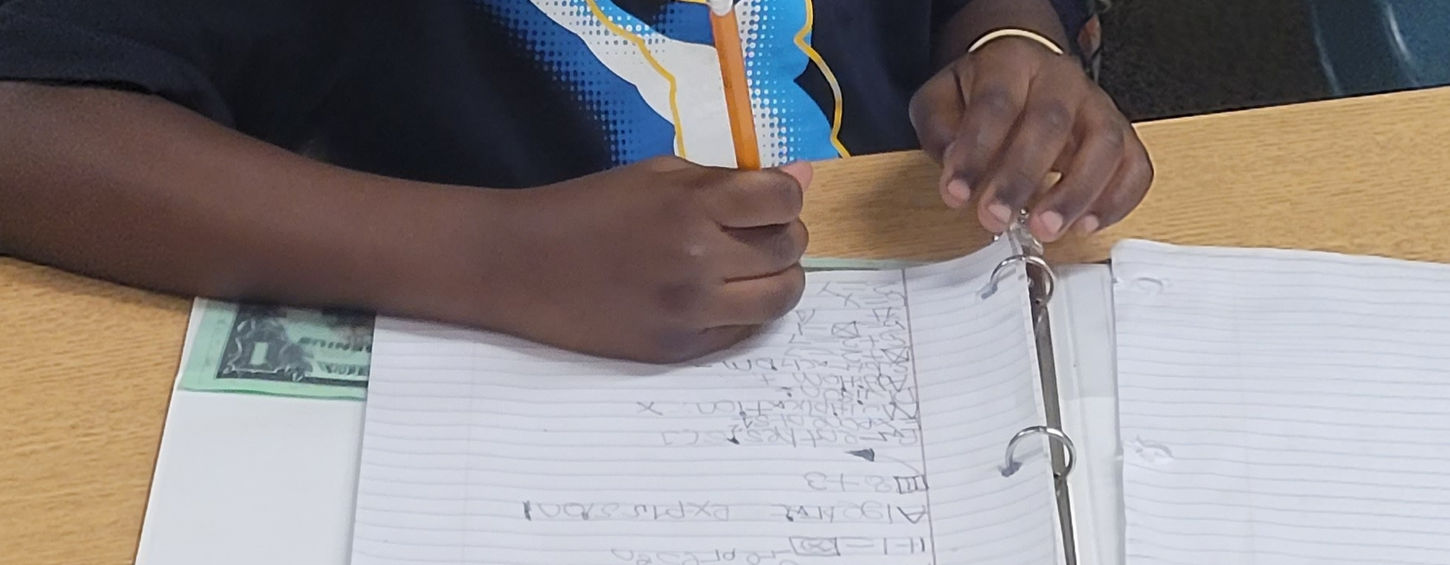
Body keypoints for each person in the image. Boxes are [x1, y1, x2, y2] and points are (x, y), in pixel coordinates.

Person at [0, 0, 1151, 362]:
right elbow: (31, 116)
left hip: (930, 316)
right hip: (501, 370)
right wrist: (492, 255)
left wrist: (1016, 47)